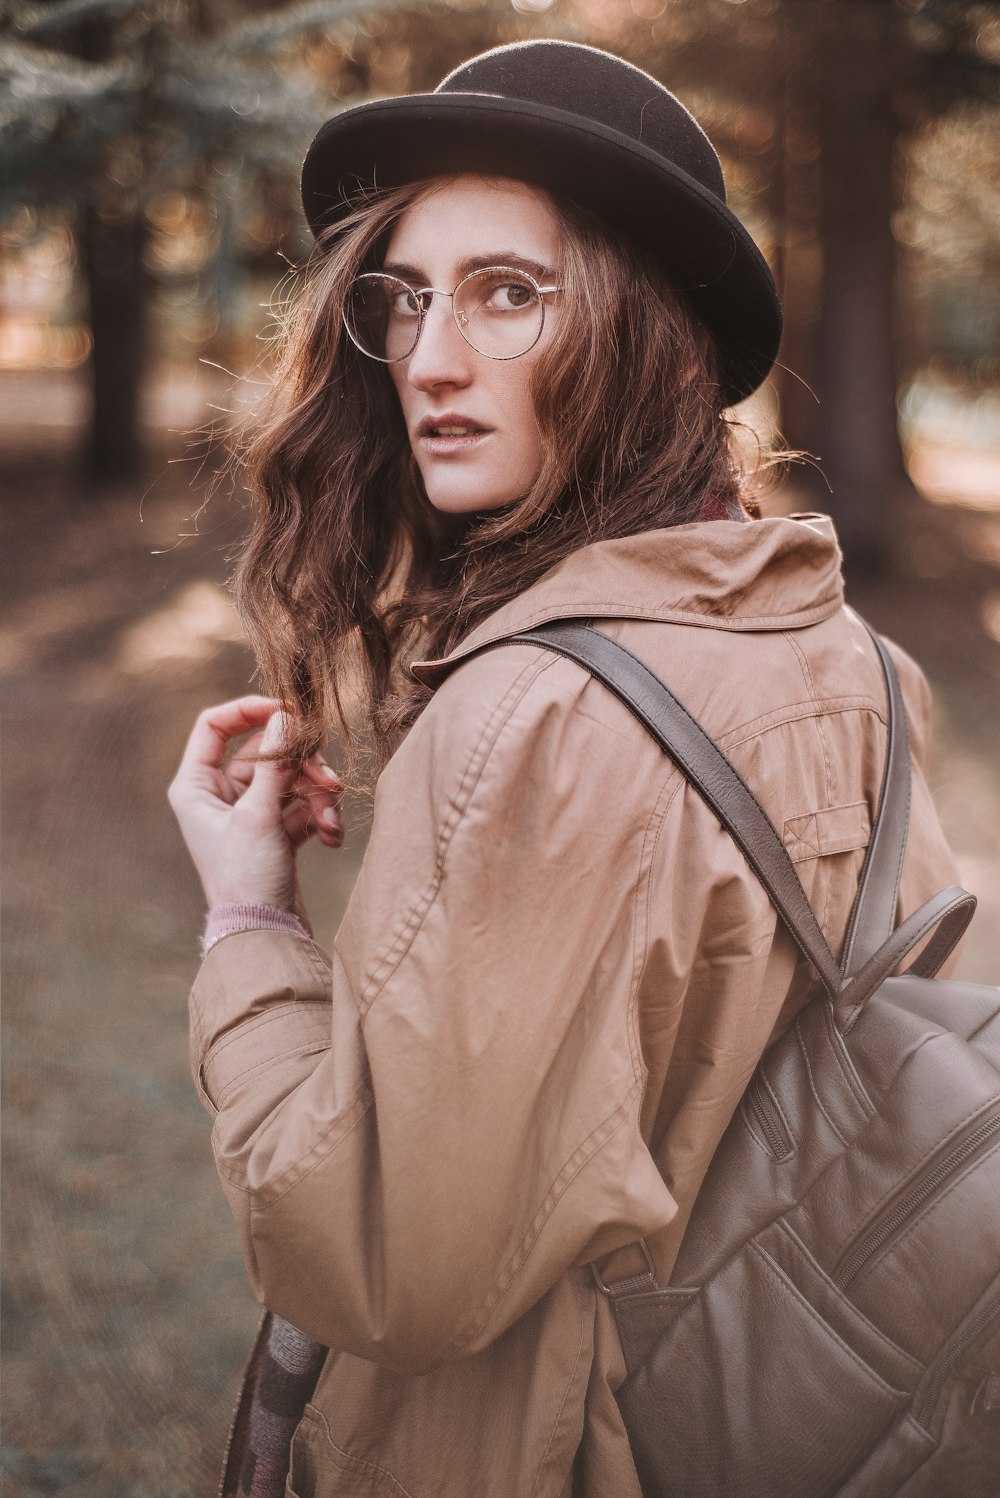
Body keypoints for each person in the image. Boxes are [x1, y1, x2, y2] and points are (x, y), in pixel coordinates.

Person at [168, 39, 959, 1498]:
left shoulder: (535, 714)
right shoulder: (854, 659)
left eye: (510, 294)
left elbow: (375, 1253)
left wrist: (251, 923)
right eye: (406, 298)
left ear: (647, 329)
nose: (431, 358)